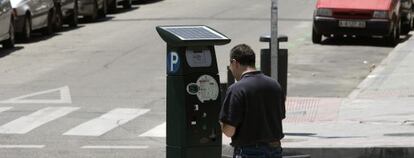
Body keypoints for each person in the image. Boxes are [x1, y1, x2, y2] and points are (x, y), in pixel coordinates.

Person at [220, 44, 286, 158]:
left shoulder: (236, 89)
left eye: (230, 65)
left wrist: (221, 123)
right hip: (275, 149)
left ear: (235, 63)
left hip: (249, 152)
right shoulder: (275, 85)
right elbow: (280, 117)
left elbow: (229, 131)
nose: (230, 69)